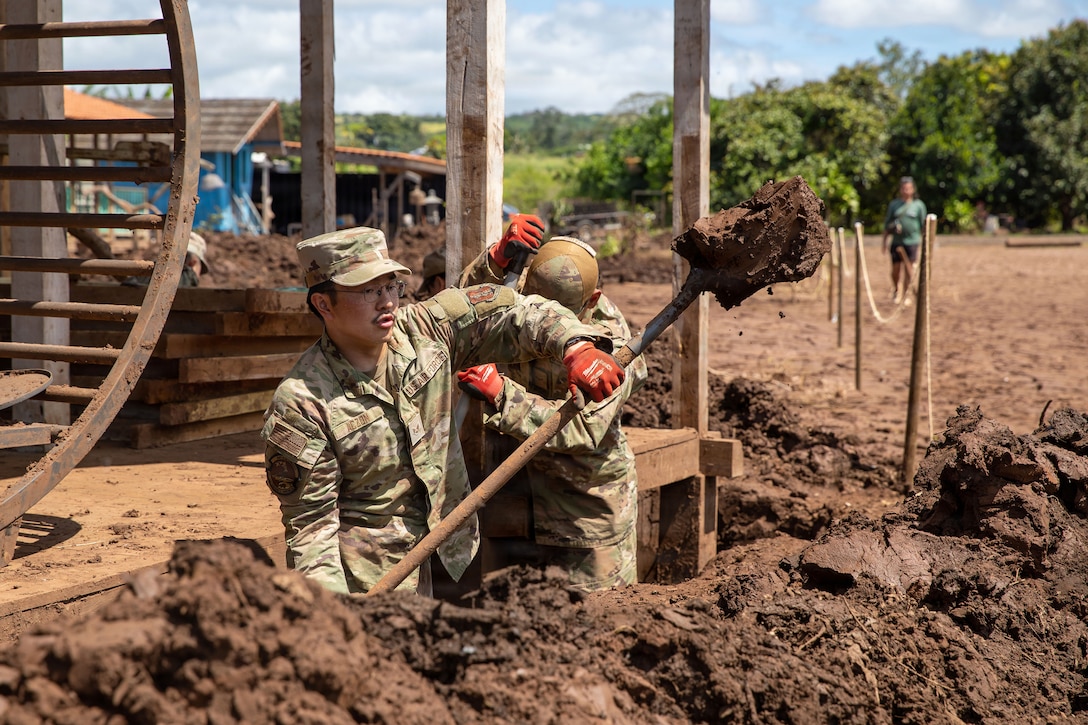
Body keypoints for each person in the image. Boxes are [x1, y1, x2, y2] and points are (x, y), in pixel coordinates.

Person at [260, 222, 625, 596]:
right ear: (323, 303)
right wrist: (335, 617)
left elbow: (512, 309)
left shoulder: (425, 328)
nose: (386, 301)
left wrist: (577, 345)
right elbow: (312, 528)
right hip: (374, 581)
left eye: (391, 286)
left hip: (448, 549)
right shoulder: (302, 405)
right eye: (367, 290)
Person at [457, 236, 648, 590]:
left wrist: (502, 394)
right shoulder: (524, 306)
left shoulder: (613, 351)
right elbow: (462, 313)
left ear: (592, 301)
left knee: (599, 623)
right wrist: (493, 264)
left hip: (582, 520)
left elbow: (584, 430)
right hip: (512, 506)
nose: (547, 321)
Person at [881, 176, 926, 304]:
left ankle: (906, 294)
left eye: (908, 188)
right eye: (904, 188)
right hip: (896, 242)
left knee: (908, 269)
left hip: (912, 242)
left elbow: (924, 226)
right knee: (895, 269)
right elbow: (886, 225)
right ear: (900, 189)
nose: (906, 191)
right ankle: (896, 289)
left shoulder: (919, 206)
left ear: (913, 189)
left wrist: (925, 244)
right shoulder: (894, 205)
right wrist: (884, 241)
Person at [122, 231, 208, 288]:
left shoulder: (144, 272)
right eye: (200, 271)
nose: (199, 276)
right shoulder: (187, 279)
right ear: (193, 263)